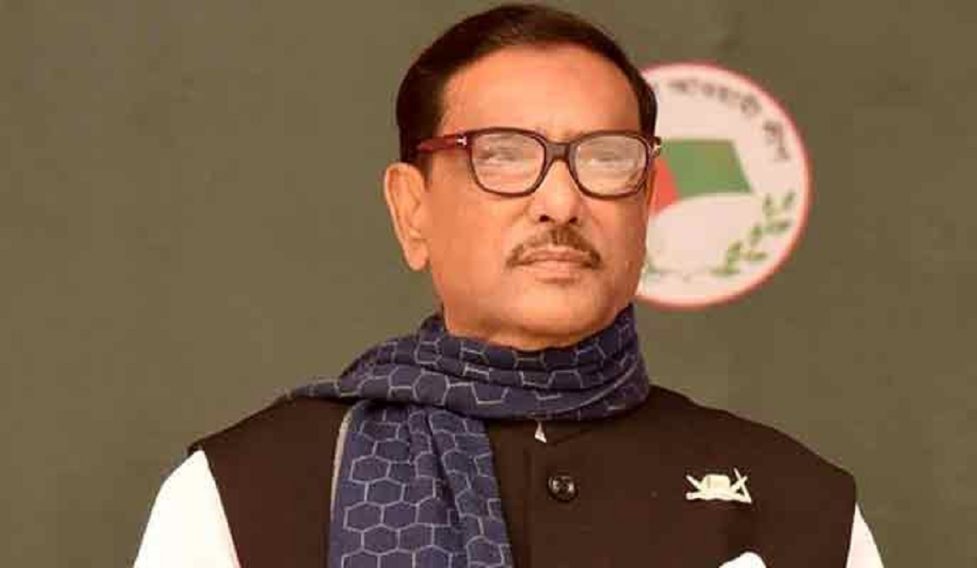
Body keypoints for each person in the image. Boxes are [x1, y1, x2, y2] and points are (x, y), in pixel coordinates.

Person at [134, 4, 883, 567]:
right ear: (412, 209)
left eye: (607, 158)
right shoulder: (248, 493)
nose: (560, 201)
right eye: (502, 155)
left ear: (646, 202)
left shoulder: (795, 506)